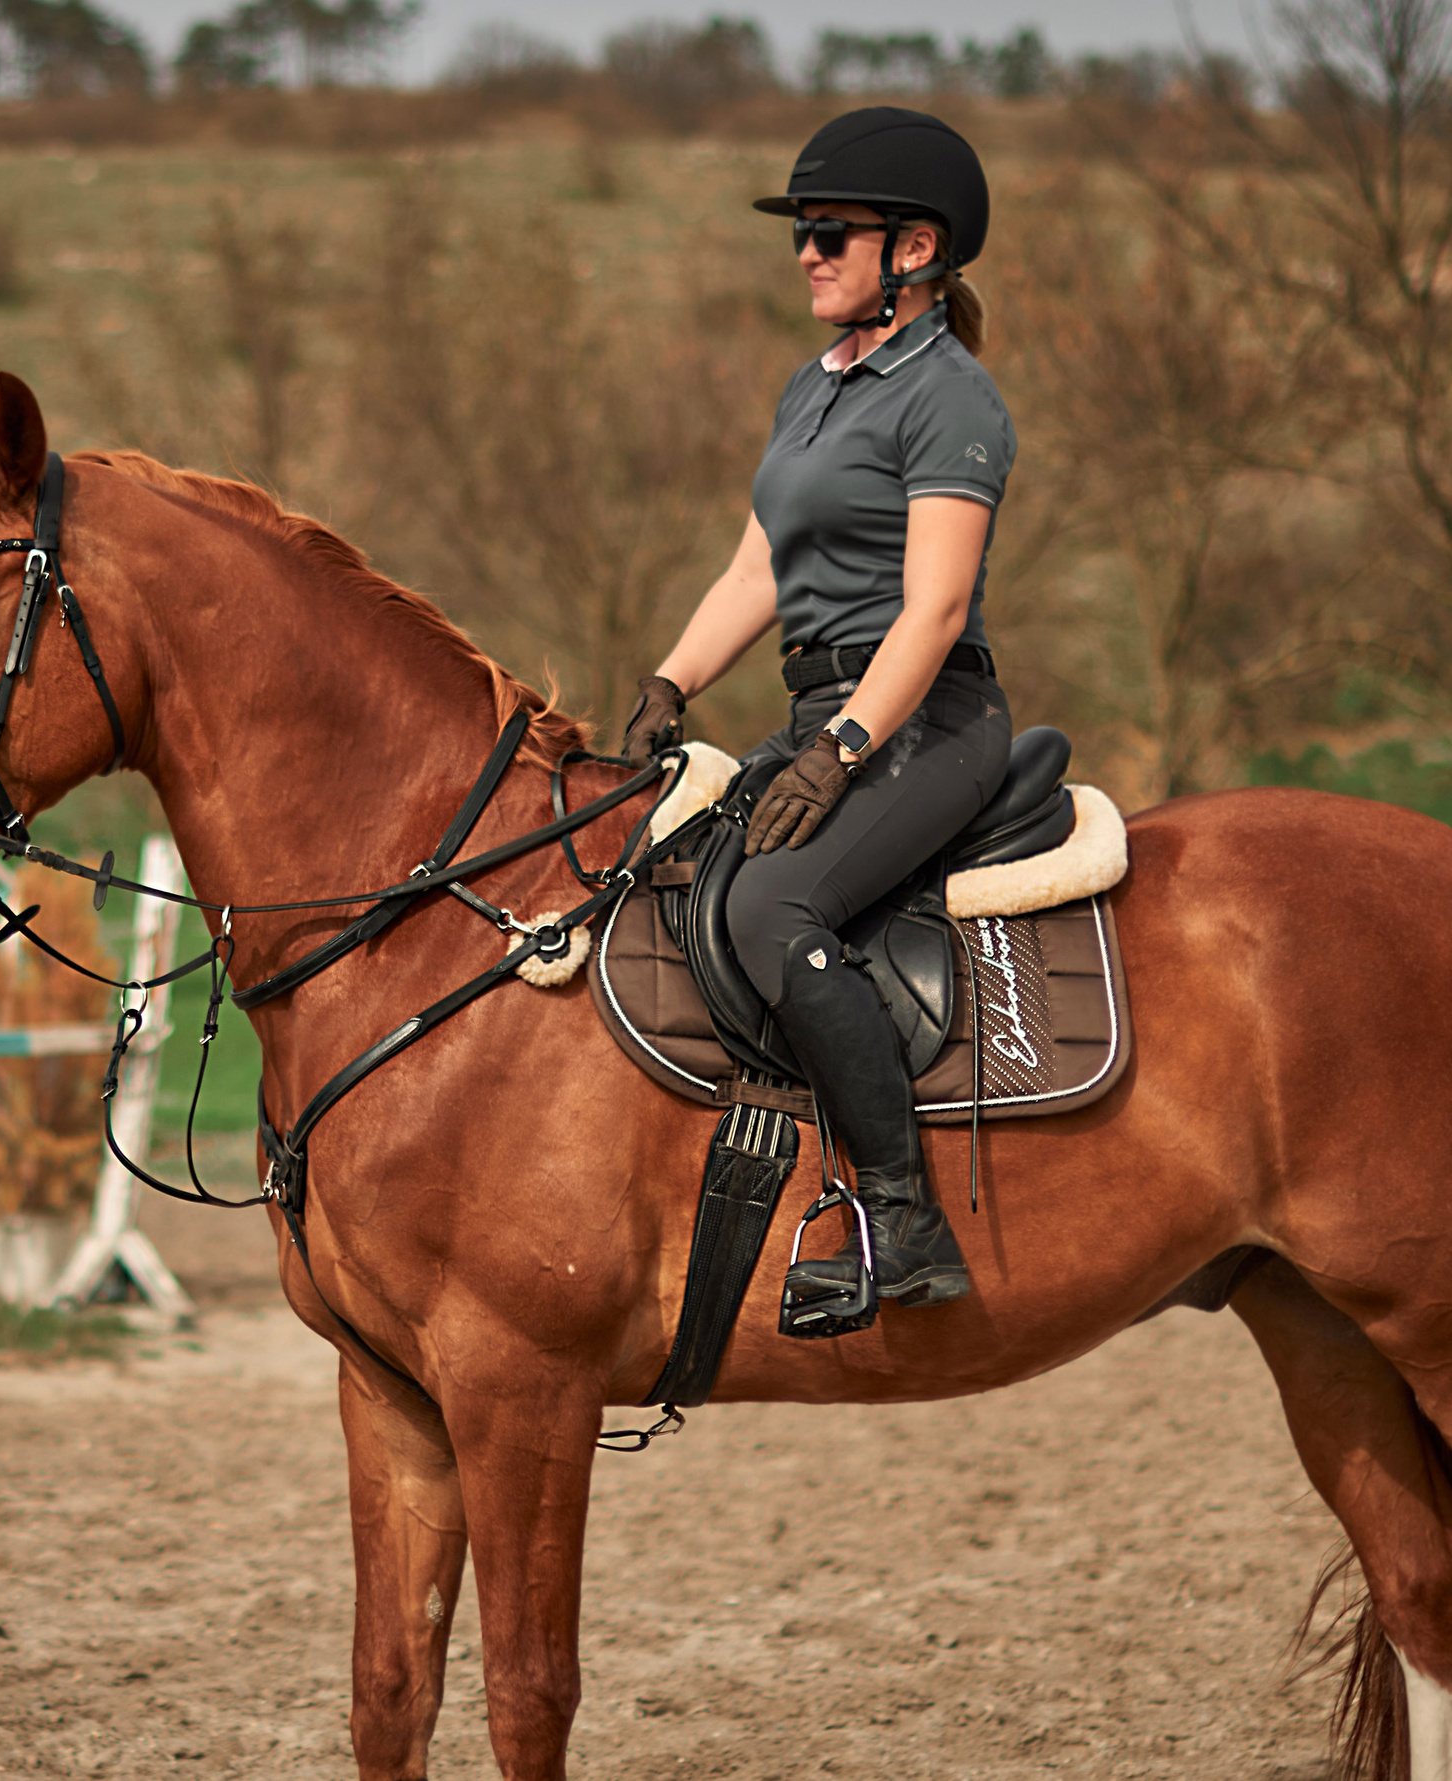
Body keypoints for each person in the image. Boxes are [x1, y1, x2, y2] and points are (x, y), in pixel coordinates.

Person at [618, 107, 1012, 1312]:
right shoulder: (815, 387)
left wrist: (843, 749)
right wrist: (670, 682)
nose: (805, 250)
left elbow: (934, 611)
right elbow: (756, 574)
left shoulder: (951, 397)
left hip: (926, 718)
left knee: (775, 903)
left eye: (830, 230)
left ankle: (903, 1217)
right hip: (818, 709)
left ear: (915, 249)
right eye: (801, 230)